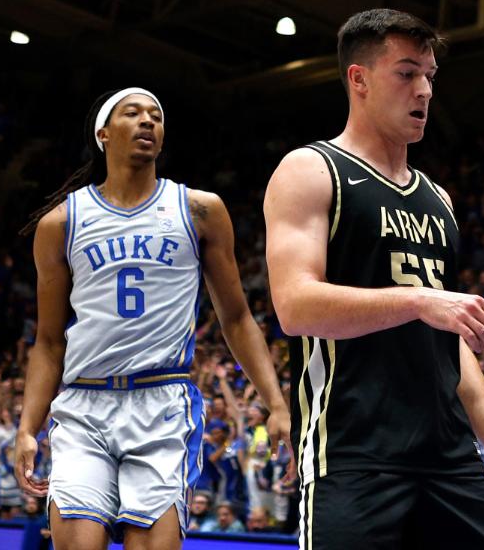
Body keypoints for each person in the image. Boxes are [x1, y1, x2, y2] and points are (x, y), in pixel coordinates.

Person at [261, 10, 484, 549]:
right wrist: (417, 301)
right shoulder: (310, 170)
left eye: (430, 76)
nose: (425, 90)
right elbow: (295, 306)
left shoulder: (439, 200)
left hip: (449, 457)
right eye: (407, 73)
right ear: (359, 79)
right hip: (353, 452)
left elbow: (449, 340)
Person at [16, 88, 291, 550]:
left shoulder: (200, 210)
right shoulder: (60, 224)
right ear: (103, 133)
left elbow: (238, 317)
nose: (148, 121)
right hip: (84, 403)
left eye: (156, 116)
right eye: (134, 113)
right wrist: (27, 428)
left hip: (162, 403)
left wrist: (276, 402)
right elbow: (48, 342)